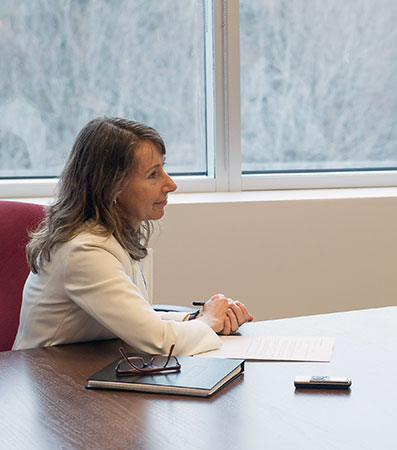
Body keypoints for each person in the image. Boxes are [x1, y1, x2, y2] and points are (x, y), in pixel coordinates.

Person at [13, 117, 253, 355]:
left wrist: (198, 317)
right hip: (49, 380)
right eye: (153, 174)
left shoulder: (114, 234)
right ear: (111, 187)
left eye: (163, 169)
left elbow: (138, 317)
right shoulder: (84, 251)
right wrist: (208, 322)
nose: (170, 184)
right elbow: (159, 341)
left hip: (83, 369)